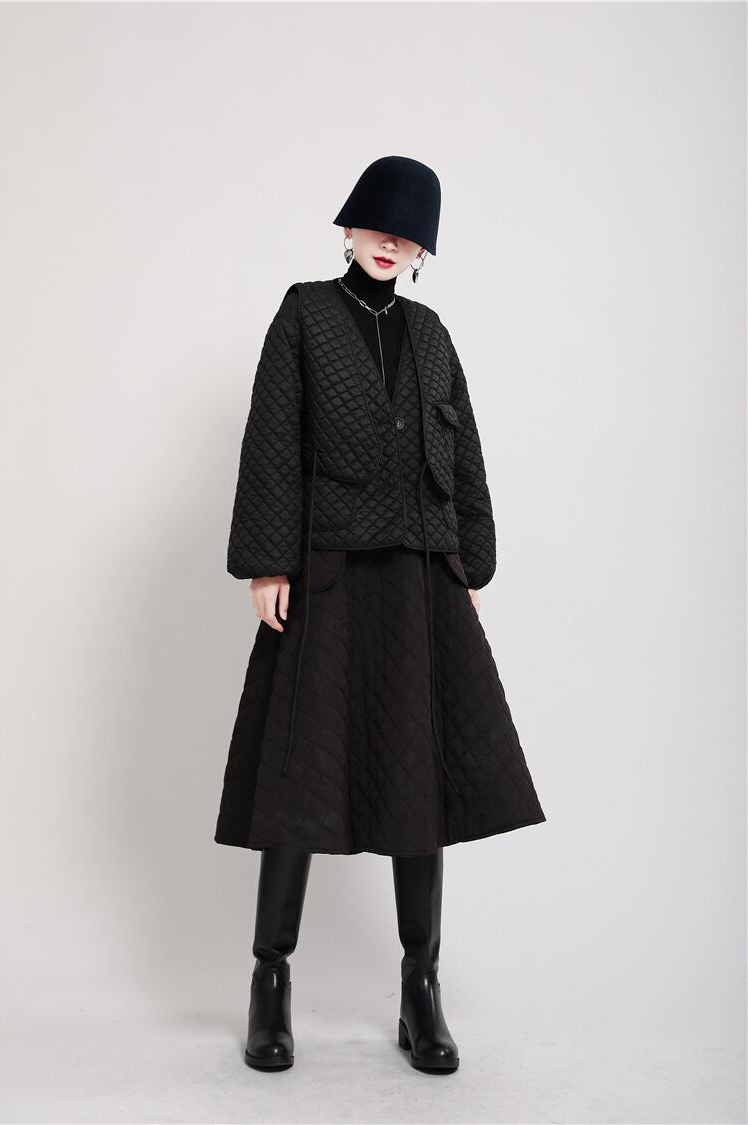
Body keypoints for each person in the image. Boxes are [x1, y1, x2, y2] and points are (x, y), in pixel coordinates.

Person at [214, 155, 546, 1073]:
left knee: (418, 783)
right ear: (350, 227)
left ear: (423, 248)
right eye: (381, 225)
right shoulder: (304, 314)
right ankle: (270, 979)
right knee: (299, 777)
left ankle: (419, 987)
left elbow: (465, 451)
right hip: (326, 570)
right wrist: (268, 560)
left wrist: (468, 559)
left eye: (411, 233)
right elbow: (273, 434)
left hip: (417, 576)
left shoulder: (432, 334)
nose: (394, 242)